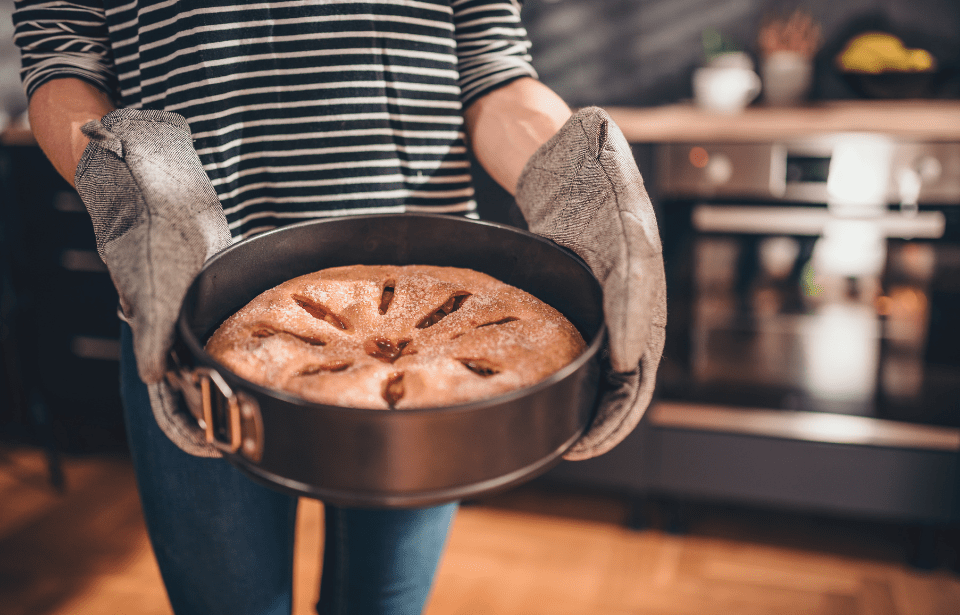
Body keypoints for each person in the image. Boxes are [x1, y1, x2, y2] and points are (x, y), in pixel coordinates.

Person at [12, 1, 666, 614]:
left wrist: (578, 183)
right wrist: (135, 187)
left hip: (438, 324)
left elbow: (492, 69)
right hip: (185, 297)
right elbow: (61, 63)